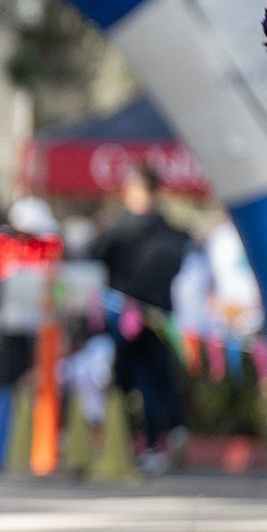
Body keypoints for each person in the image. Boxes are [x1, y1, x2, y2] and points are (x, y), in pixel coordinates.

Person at [90, 164, 190, 471]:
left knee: (134, 381)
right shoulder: (174, 233)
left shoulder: (119, 231)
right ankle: (172, 433)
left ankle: (143, 445)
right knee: (161, 380)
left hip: (127, 318)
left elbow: (93, 260)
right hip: (162, 316)